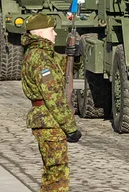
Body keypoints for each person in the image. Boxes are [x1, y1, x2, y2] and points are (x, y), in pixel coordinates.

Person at [20, 13, 82, 192]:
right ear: (40, 33)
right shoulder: (40, 58)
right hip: (48, 120)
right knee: (57, 173)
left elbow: (63, 67)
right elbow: (53, 96)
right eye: (51, 30)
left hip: (47, 119)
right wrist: (70, 127)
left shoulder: (43, 54)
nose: (55, 34)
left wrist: (74, 57)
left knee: (52, 171)